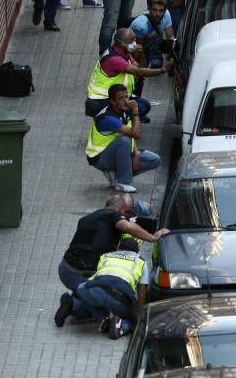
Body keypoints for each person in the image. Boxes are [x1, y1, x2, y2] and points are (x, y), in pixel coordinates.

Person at [55, 194, 169, 329]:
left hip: (65, 269)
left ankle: (73, 303)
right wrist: (152, 237)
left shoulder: (86, 219)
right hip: (84, 276)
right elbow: (128, 227)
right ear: (122, 210)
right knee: (114, 305)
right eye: (128, 212)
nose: (128, 216)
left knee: (92, 298)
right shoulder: (112, 216)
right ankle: (75, 306)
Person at [86, 83, 161, 193]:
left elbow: (132, 133)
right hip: (99, 157)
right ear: (112, 101)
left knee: (154, 160)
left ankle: (115, 174)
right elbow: (136, 134)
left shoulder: (124, 111)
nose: (125, 101)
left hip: (118, 152)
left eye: (126, 96)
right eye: (121, 98)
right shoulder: (107, 118)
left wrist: (136, 154)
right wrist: (135, 111)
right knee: (124, 141)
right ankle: (123, 182)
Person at [86, 27, 170, 120]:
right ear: (122, 43)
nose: (135, 43)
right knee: (140, 108)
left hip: (116, 96)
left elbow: (138, 67)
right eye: (132, 41)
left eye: (135, 40)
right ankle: (119, 119)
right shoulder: (114, 59)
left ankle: (126, 116)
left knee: (145, 105)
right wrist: (162, 70)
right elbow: (138, 71)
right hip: (102, 100)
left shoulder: (124, 52)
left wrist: (141, 53)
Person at [76, 238, 148, 339]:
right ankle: (120, 326)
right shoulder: (140, 261)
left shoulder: (105, 256)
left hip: (94, 289)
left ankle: (102, 318)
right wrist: (139, 312)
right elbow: (142, 291)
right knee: (133, 322)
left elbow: (100, 274)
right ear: (137, 251)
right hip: (119, 297)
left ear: (118, 248)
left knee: (82, 288)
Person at [130, 0, 175, 69]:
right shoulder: (141, 25)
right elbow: (138, 50)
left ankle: (156, 58)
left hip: (151, 40)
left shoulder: (167, 14)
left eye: (161, 10)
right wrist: (142, 70)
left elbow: (170, 37)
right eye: (154, 10)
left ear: (165, 10)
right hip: (135, 45)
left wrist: (170, 57)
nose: (157, 14)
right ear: (149, 9)